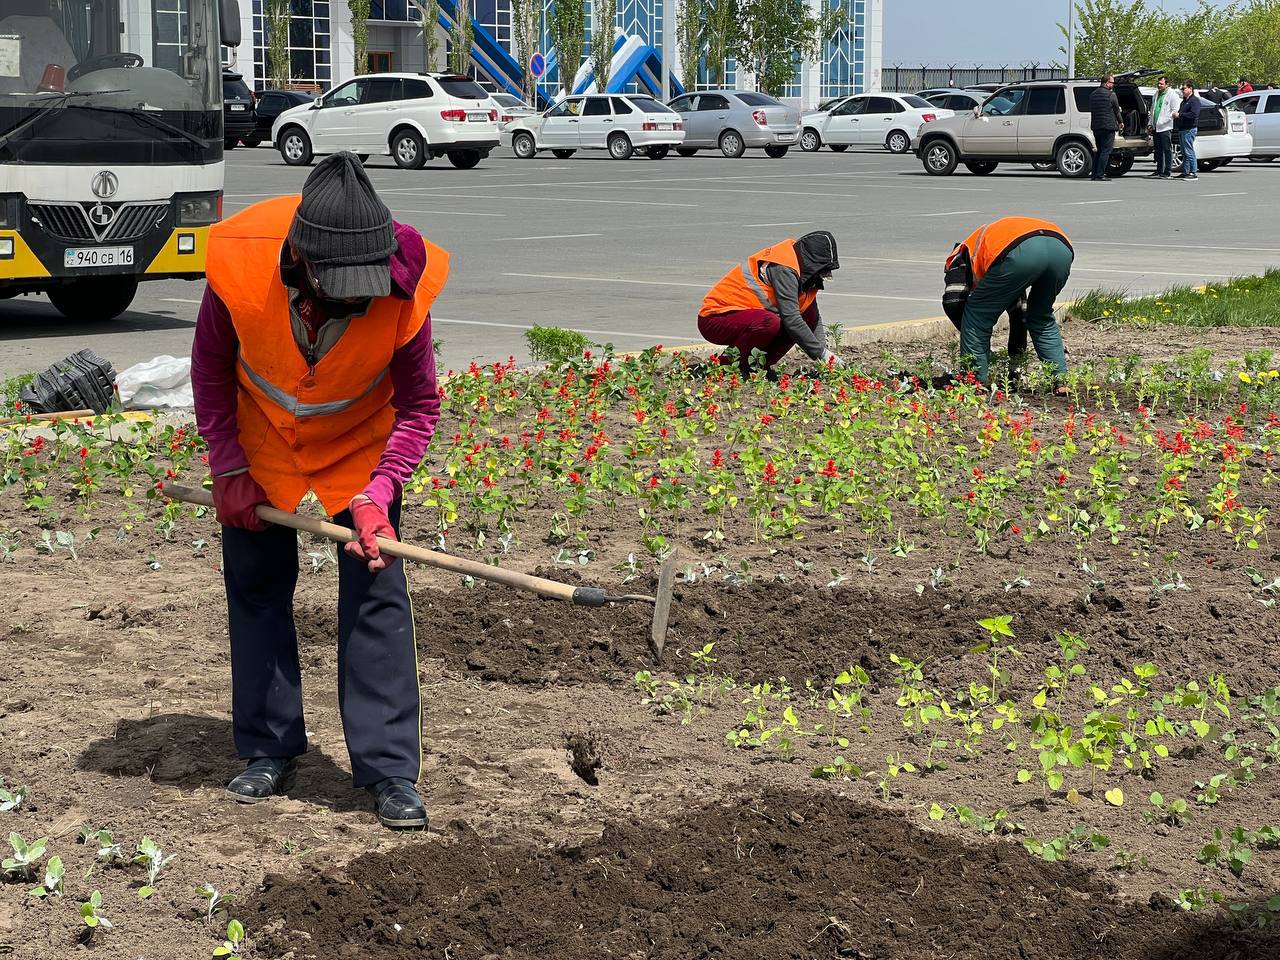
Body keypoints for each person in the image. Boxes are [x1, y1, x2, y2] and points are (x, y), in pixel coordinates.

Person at [191, 152, 449, 830]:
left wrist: (380, 491)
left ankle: (389, 770)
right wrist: (227, 467)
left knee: (377, 591)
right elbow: (211, 373)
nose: (364, 296)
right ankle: (269, 746)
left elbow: (419, 405)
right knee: (256, 587)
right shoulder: (241, 266)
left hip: (361, 446)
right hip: (263, 437)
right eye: (346, 283)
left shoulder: (403, 287)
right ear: (302, 261)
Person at [944, 217, 1074, 388]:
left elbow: (953, 301)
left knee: (976, 314)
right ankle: (1060, 381)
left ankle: (973, 382)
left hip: (1021, 251)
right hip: (1060, 249)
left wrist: (978, 337)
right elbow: (1020, 315)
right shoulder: (998, 265)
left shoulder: (961, 255)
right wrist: (1015, 367)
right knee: (1040, 315)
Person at [698, 232, 843, 375]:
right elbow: (792, 320)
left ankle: (757, 368)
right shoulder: (784, 269)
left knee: (807, 315)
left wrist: (826, 361)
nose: (823, 275)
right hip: (715, 319)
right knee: (770, 323)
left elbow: (813, 317)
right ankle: (724, 367)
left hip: (748, 317)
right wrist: (822, 354)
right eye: (822, 271)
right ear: (813, 264)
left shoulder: (805, 272)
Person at [1088, 74, 1123, 181]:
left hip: (1096, 126)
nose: (1113, 85)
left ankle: (1094, 174)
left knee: (1099, 151)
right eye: (1112, 82)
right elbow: (1117, 110)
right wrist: (1121, 122)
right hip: (1108, 126)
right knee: (1106, 151)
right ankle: (1100, 174)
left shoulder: (1093, 94)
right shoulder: (1111, 94)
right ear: (1107, 82)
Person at [1148, 76, 1180, 179]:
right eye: (1158, 83)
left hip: (1165, 127)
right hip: (1155, 127)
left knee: (1167, 149)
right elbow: (1152, 109)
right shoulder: (1156, 94)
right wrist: (1150, 123)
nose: (1159, 85)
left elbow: (1175, 110)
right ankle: (1159, 170)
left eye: (1161, 84)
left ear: (1167, 84)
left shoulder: (1172, 95)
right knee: (1158, 150)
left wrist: (1164, 120)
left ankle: (1167, 171)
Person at [1173, 81, 1202, 180]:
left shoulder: (1195, 101)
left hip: (1190, 129)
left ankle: (1193, 172)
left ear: (1190, 89)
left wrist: (1180, 115)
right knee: (1184, 152)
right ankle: (1185, 171)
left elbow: (1194, 115)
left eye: (1184, 88)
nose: (1183, 91)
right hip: (1182, 128)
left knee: (1189, 151)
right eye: (1182, 89)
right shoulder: (1184, 101)